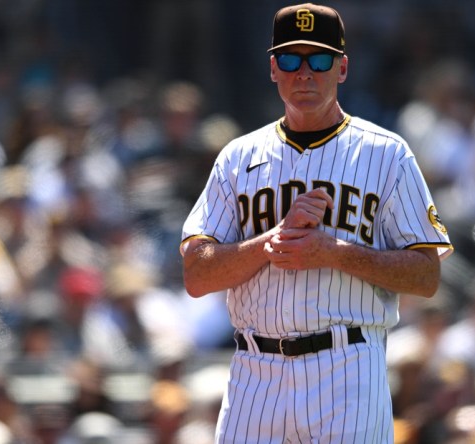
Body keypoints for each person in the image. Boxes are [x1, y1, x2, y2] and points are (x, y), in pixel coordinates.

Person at [179, 4, 452, 442]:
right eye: (290, 59)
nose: (304, 72)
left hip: (346, 367)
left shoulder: (387, 154)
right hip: (255, 368)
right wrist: (270, 243)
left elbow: (426, 275)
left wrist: (334, 253)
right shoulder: (237, 157)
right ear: (273, 68)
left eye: (319, 60)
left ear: (342, 68)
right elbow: (196, 273)